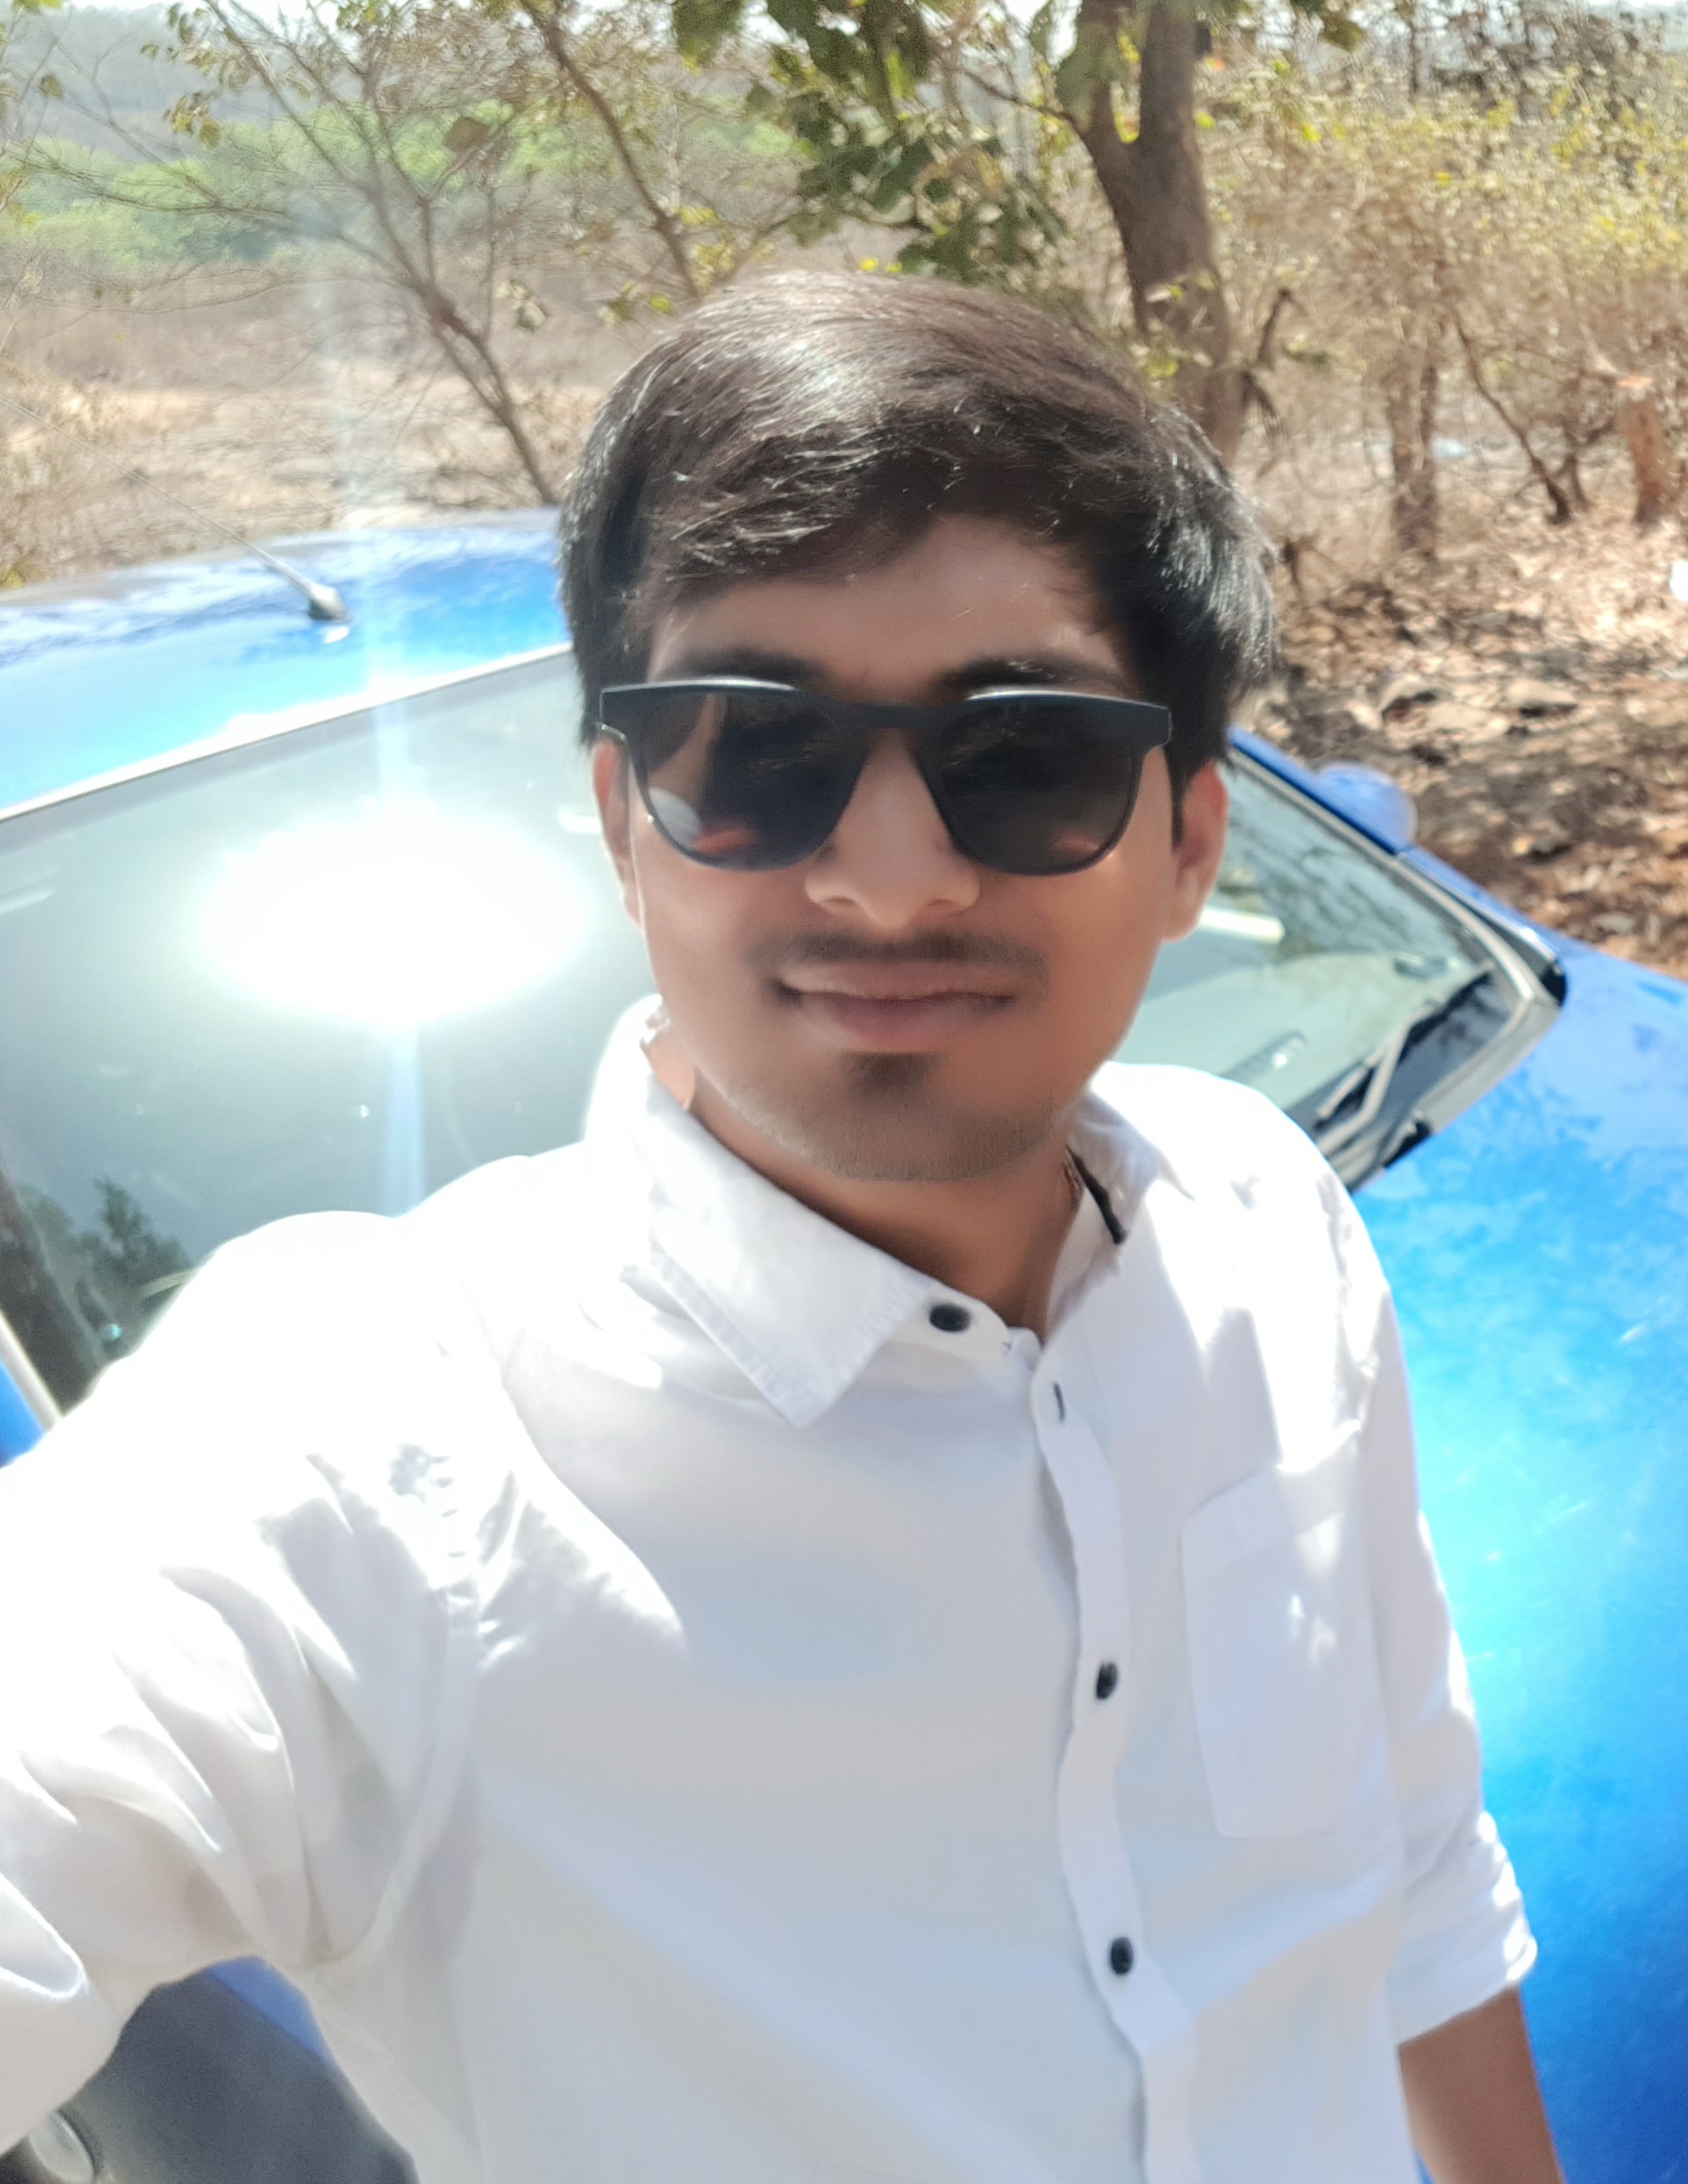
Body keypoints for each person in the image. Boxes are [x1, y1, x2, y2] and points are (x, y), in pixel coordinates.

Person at [0, 274, 1564, 2184]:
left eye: (1026, 759)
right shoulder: (354, 1466)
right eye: (753, 750)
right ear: (623, 822)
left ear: (1189, 844)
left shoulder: (1268, 1225)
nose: (891, 884)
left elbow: (1416, 1871)